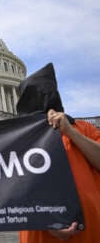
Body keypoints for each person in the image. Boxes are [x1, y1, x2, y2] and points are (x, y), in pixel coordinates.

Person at [16, 63, 100, 242]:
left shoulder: (82, 128)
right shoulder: (18, 139)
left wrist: (71, 132)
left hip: (89, 233)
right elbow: (11, 189)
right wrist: (47, 219)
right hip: (39, 235)